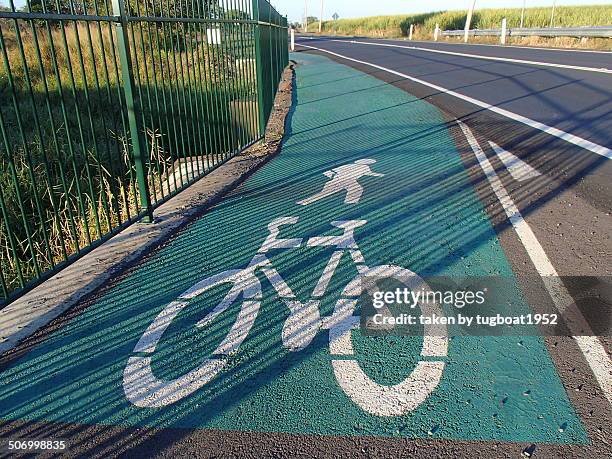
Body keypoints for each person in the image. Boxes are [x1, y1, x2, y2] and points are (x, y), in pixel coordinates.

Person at [297, 158, 384, 206]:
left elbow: (369, 173)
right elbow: (330, 170)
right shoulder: (348, 165)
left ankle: (350, 202)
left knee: (358, 189)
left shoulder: (365, 168)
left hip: (350, 180)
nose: (368, 162)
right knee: (325, 193)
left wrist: (379, 175)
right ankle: (306, 201)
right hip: (339, 180)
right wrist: (332, 176)